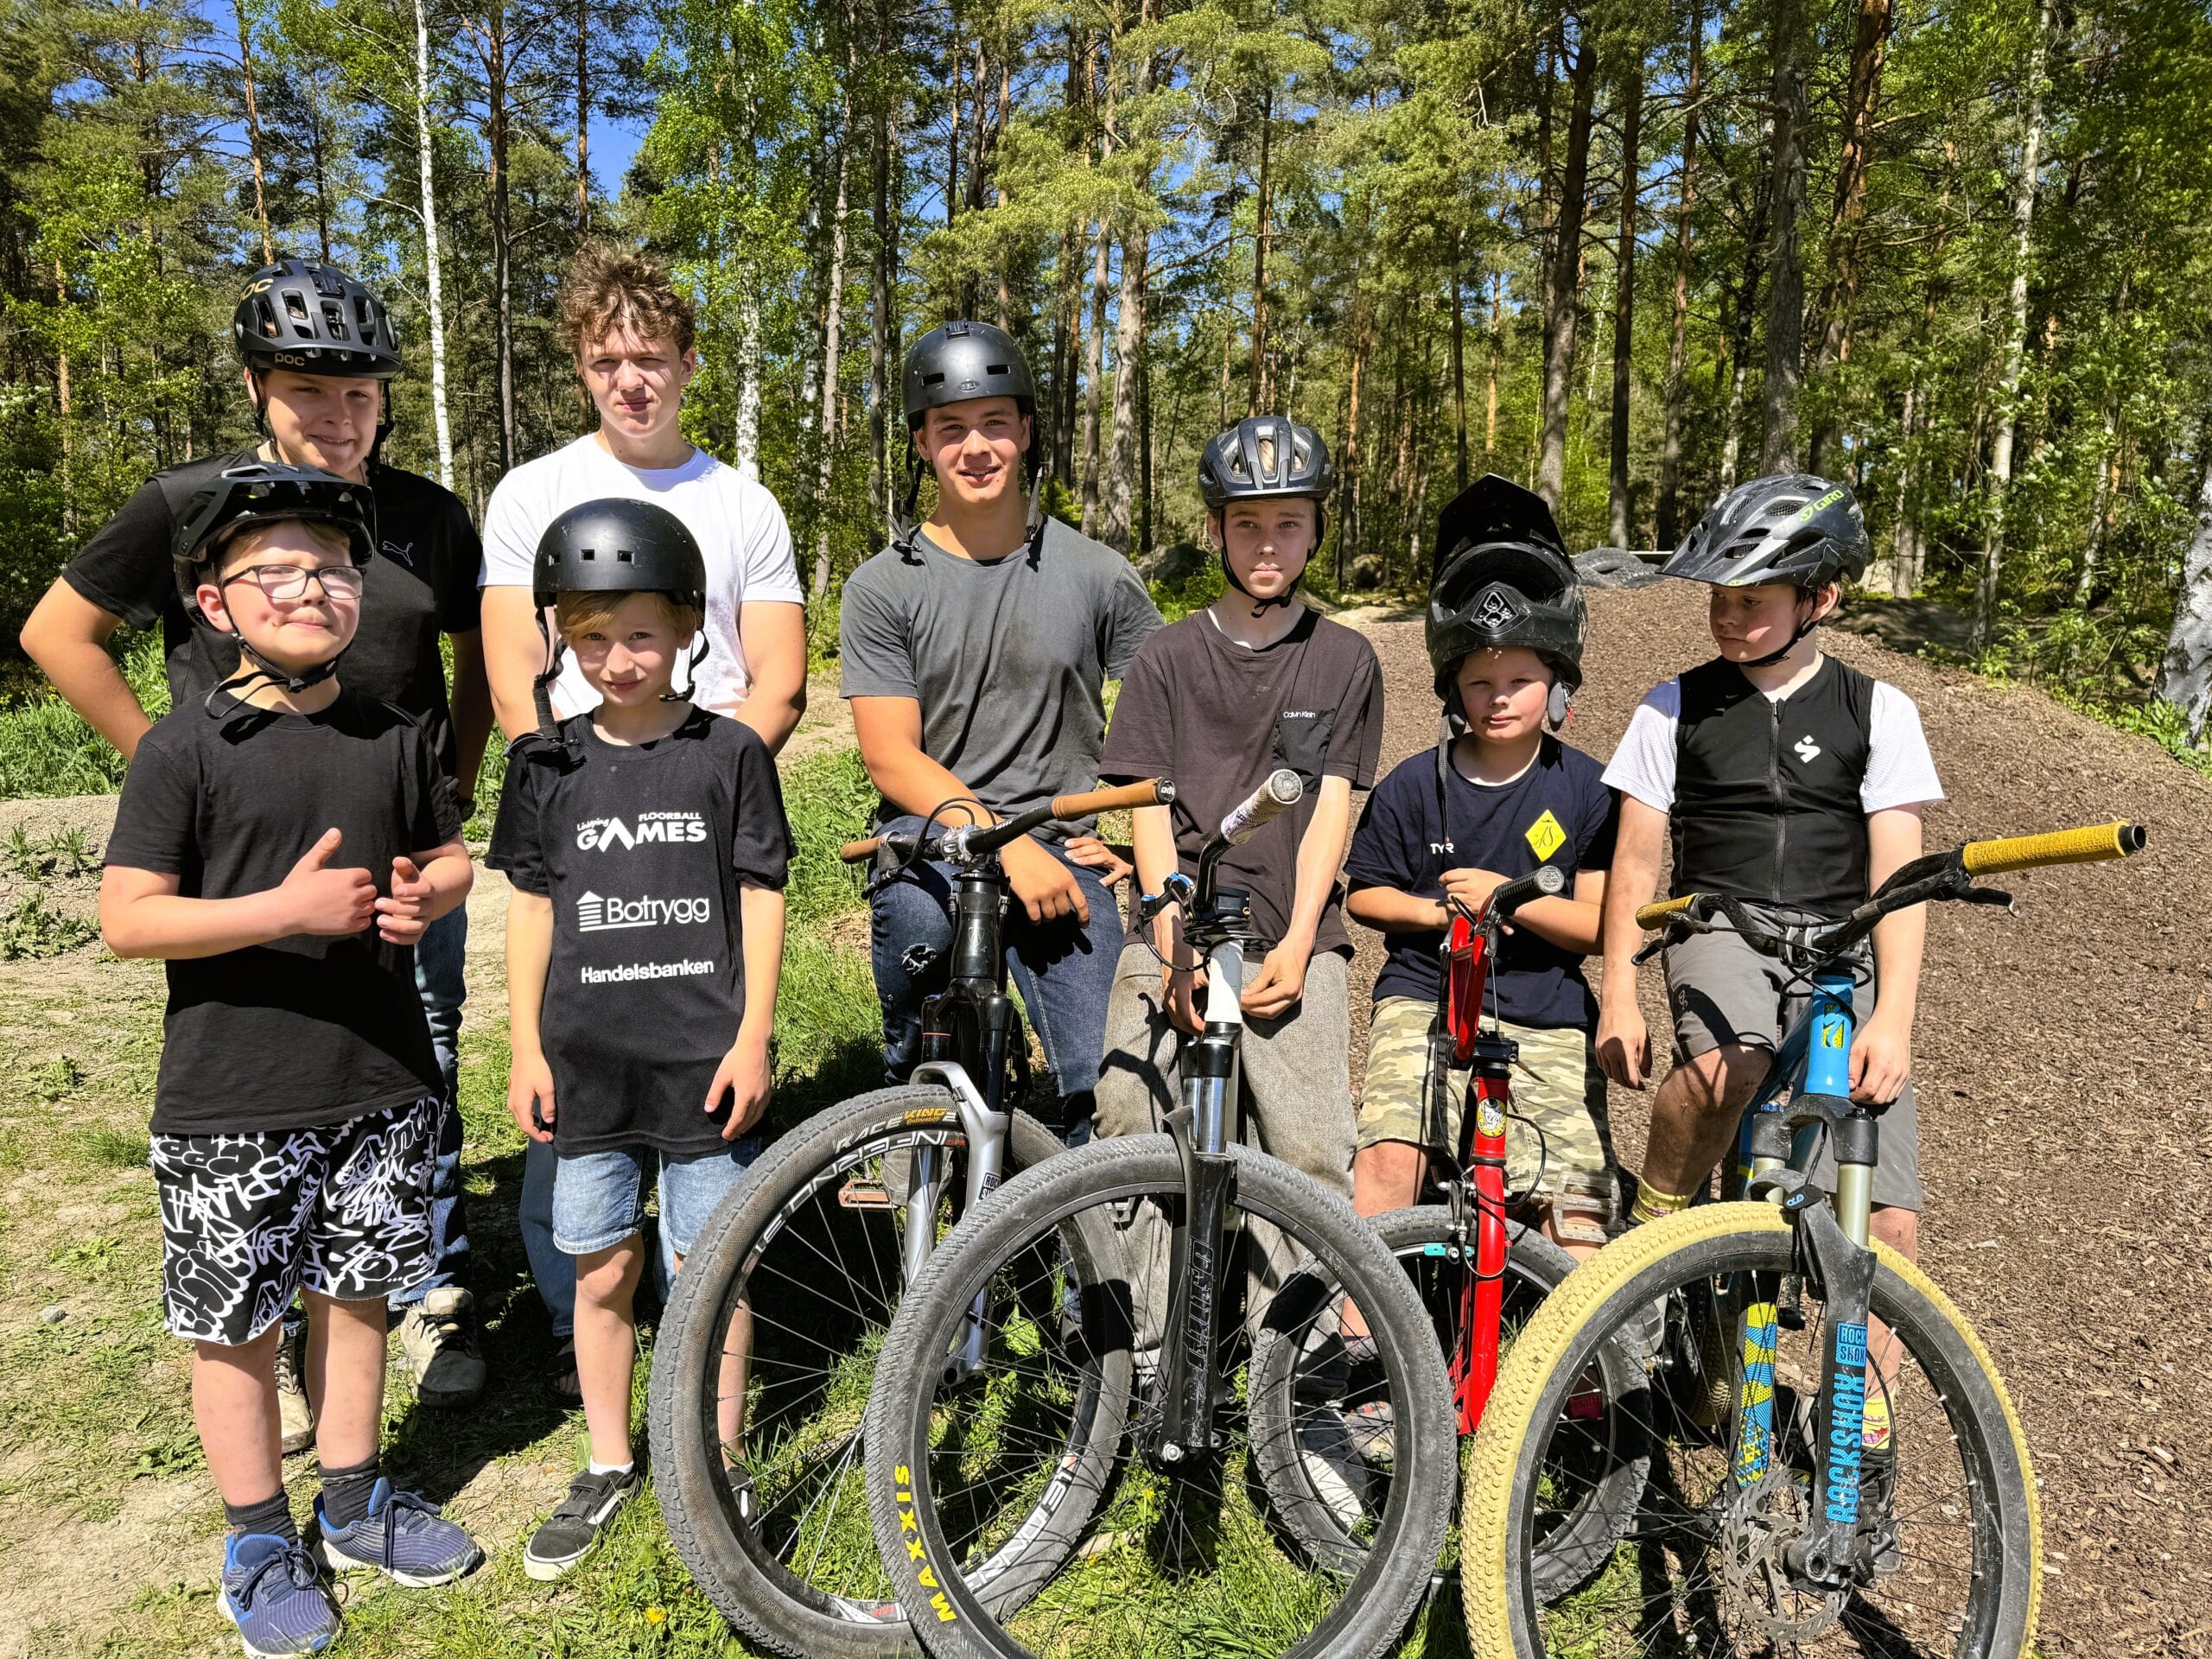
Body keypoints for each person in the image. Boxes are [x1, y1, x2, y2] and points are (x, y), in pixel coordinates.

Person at [21, 257, 494, 1432]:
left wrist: (457, 782)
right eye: (308, 395)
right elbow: (57, 631)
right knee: (258, 1087)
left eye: (363, 397)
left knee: (417, 1059)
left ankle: (421, 1284)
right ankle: (268, 1326)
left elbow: (481, 658)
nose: (340, 420)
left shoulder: (428, 516)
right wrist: (164, 761)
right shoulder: (191, 501)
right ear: (256, 387)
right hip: (245, 858)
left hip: (400, 843)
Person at [99, 462, 482, 1657]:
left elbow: (450, 856)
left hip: (381, 1078)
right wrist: (280, 911)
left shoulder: (398, 731)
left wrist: (429, 892)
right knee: (239, 1328)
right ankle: (260, 1538)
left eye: (332, 568)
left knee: (358, 1295)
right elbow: (129, 919)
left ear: (359, 597)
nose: (309, 588)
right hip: (231, 1095)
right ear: (214, 604)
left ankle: (358, 1497)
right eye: (275, 571)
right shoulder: (184, 749)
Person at [478, 244, 806, 1396]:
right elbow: (518, 669)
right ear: (580, 366)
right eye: (607, 359)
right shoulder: (530, 495)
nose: (631, 379)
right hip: (579, 808)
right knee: (576, 1056)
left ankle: (706, 1341)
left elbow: (776, 677)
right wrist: (586, 788)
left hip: (706, 802)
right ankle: (586, 1330)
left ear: (687, 364)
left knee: (701, 1040)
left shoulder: (739, 503)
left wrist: (695, 788)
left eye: (651, 357)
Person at [1595, 472, 1943, 1500]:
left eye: (1753, 598)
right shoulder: (1673, 705)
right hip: (1722, 926)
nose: (1728, 616)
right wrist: (1619, 984)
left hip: (1846, 943)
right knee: (1729, 1070)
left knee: (1887, 1218)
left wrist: (1894, 1015)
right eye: (1719, 598)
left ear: (1819, 600)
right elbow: (1633, 865)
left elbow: (1903, 874)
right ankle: (1654, 1224)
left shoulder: (1880, 711)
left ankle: (1863, 1415)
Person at [488, 499, 791, 1581]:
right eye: (592, 636)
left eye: (643, 634)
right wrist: (525, 1046)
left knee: (714, 1271)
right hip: (587, 1066)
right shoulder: (543, 765)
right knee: (602, 1269)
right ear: (562, 637)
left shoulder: (730, 754)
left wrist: (753, 1036)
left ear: (688, 632)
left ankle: (718, 1459)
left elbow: (761, 895)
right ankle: (610, 1460)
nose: (619, 659)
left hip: (703, 1061)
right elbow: (530, 909)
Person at [838, 320, 1160, 1136]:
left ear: (1024, 431)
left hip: (1061, 843)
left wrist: (1147, 857)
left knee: (1108, 1078)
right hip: (938, 837)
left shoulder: (1097, 574)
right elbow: (890, 756)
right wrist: (1004, 843)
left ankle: (1101, 1241)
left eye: (994, 424)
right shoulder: (883, 588)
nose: (975, 447)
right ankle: (911, 1116)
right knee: (919, 935)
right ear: (921, 443)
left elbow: (1169, 726)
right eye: (951, 429)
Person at [1096, 414, 1380, 1191]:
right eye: (1246, 523)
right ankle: (1137, 1313)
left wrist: (1297, 943)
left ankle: (1296, 1319)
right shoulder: (1166, 657)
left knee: (1313, 1154)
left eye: (1289, 523)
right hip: (1174, 922)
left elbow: (1329, 809)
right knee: (1127, 1120)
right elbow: (1148, 807)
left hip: (1293, 932)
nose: (1266, 543)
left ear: (1316, 531)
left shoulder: (1346, 659)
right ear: (1216, 530)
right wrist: (1167, 938)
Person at [1342, 475, 1621, 1262]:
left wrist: (1503, 901)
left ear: (1557, 683)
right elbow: (1366, 895)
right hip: (1424, 998)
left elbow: (1600, 927)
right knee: (1389, 1159)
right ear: (1452, 687)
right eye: (1480, 684)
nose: (1499, 700)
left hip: (1548, 1007)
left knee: (1571, 1207)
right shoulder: (1411, 781)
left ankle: (1572, 1371)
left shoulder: (1589, 789)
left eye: (1520, 683)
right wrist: (1436, 915)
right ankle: (1369, 1354)